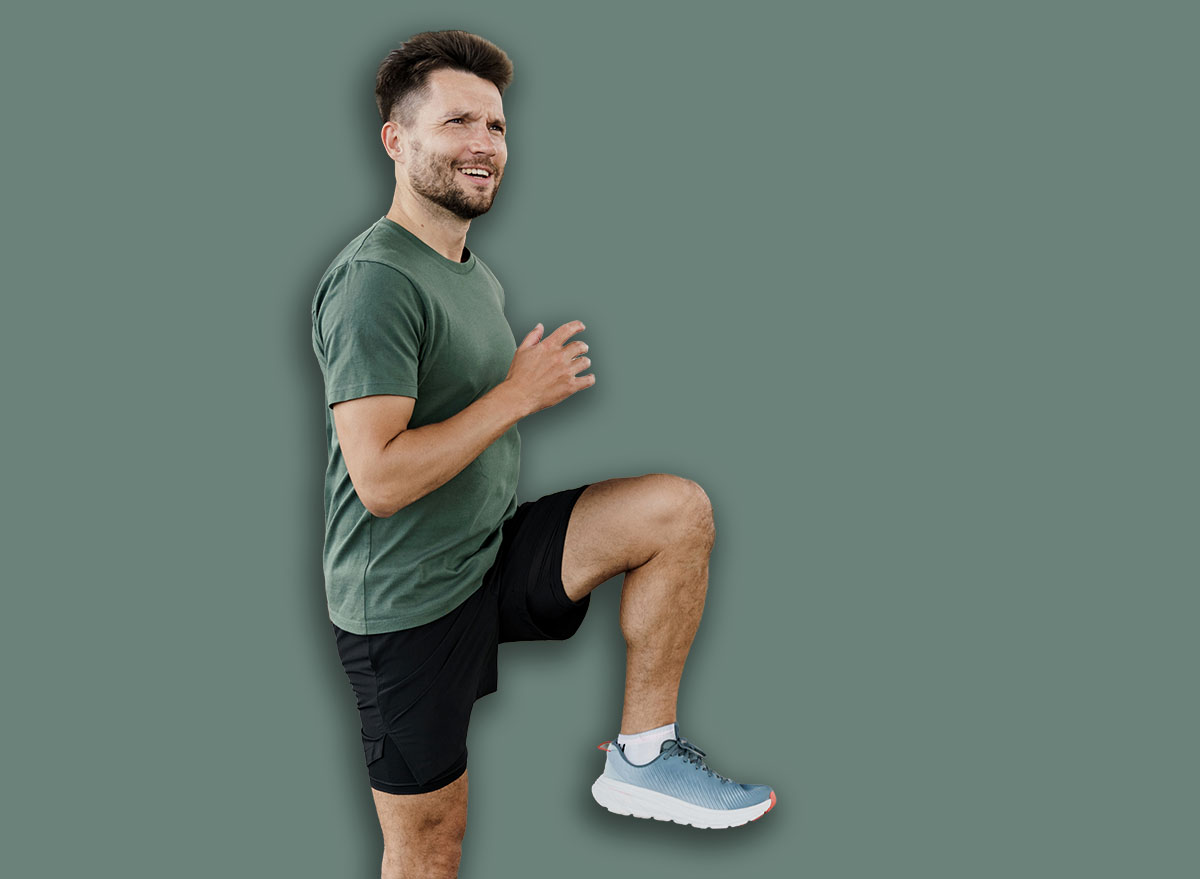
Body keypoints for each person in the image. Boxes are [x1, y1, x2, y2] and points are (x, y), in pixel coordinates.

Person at [311, 29, 775, 879]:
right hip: (406, 608)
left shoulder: (469, 272)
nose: (485, 144)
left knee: (676, 510)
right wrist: (518, 395)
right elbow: (378, 480)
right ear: (396, 139)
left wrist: (511, 398)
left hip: (485, 555)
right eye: (457, 123)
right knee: (428, 847)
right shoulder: (375, 282)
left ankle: (642, 757)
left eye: (494, 125)